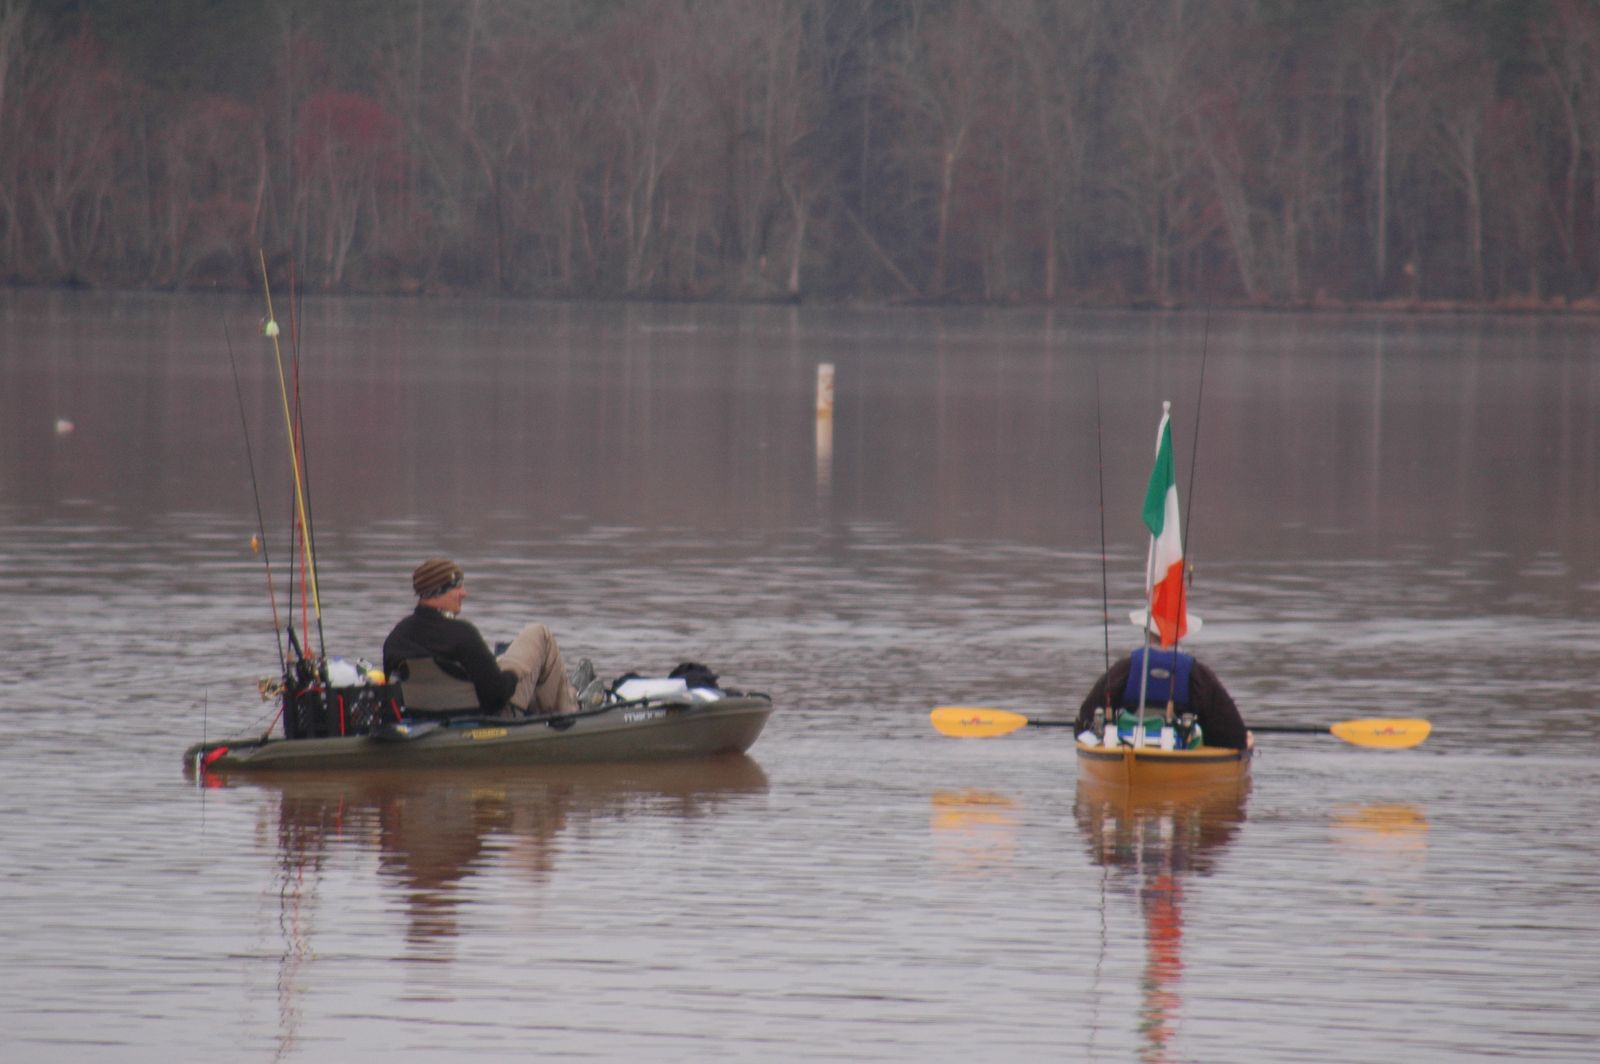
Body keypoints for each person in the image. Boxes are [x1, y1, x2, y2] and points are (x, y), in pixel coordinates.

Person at [383, 558, 594, 717]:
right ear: (440, 591)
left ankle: (569, 692)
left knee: (503, 659)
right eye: (459, 587)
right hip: (489, 716)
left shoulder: (397, 636)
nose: (464, 593)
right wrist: (513, 673)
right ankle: (571, 711)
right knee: (539, 634)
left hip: (427, 712)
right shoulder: (462, 634)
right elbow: (496, 697)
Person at [1074, 641, 1248, 749]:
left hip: (1123, 755)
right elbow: (1235, 737)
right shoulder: (1199, 674)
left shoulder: (1123, 669)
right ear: (1180, 636)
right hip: (1179, 760)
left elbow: (1083, 725)